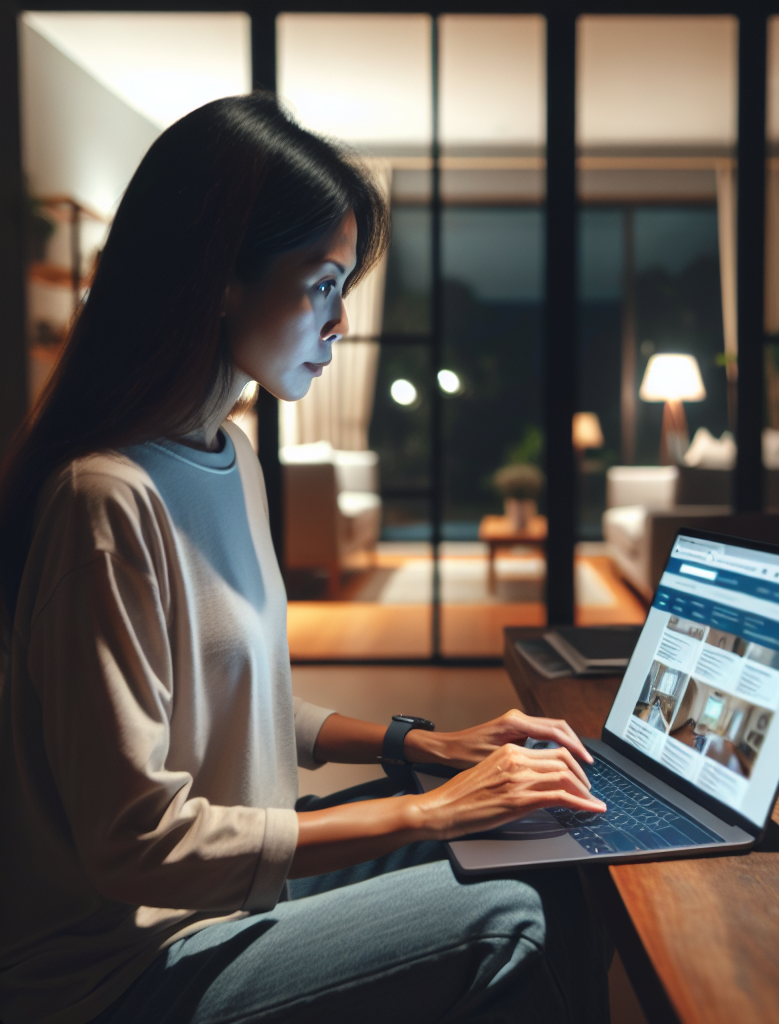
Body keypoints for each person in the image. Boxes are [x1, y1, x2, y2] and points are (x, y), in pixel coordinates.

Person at [0, 94, 609, 1024]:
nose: (341, 324)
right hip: (123, 967)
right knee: (501, 912)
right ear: (220, 281)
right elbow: (133, 845)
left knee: (539, 839)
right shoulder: (105, 499)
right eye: (323, 283)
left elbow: (232, 699)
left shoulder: (228, 454)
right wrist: (431, 810)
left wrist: (421, 746)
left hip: (231, 902)